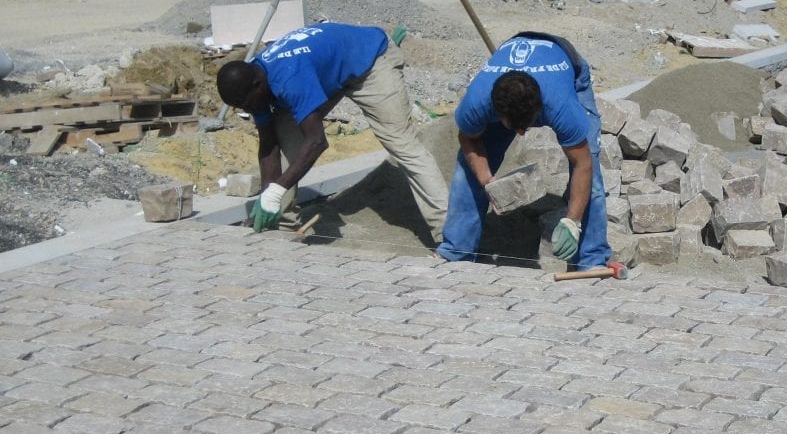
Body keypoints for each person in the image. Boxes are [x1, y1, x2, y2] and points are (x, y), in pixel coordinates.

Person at [216, 22, 448, 240]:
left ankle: (449, 234)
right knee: (285, 139)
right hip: (326, 71)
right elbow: (269, 144)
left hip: (371, 61)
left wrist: (276, 191)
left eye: (247, 104)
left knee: (402, 144)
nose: (248, 110)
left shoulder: (289, 80)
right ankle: (280, 227)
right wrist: (267, 197)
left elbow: (317, 140)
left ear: (258, 85)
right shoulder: (254, 84)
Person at [436, 31, 612, 269]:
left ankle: (592, 260)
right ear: (497, 114)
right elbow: (468, 139)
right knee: (467, 173)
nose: (521, 133)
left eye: (526, 126)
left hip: (568, 65)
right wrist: (487, 180)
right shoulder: (476, 104)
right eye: (515, 127)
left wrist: (573, 222)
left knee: (593, 174)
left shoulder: (560, 106)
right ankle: (456, 254)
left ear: (540, 111)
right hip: (510, 73)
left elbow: (583, 164)